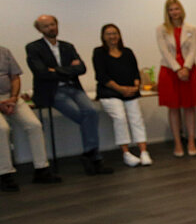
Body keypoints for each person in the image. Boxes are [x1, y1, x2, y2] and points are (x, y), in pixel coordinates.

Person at [26, 14, 112, 175]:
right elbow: (41, 73)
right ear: (39, 29)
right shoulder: (33, 48)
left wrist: (56, 70)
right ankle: (94, 157)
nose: (51, 28)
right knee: (84, 116)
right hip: (53, 91)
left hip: (73, 87)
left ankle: (90, 154)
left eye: (53, 24)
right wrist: (68, 70)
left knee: (92, 112)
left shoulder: (67, 46)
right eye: (46, 26)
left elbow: (82, 69)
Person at [0, 45, 60, 191]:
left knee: (34, 125)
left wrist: (13, 98)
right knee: (2, 129)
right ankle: (5, 174)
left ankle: (41, 169)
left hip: (11, 97)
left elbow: (15, 77)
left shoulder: (4, 51)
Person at [92, 23, 151, 167]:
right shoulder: (99, 52)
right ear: (103, 37)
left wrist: (136, 86)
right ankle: (126, 153)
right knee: (120, 117)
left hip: (130, 91)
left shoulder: (127, 52)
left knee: (136, 118)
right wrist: (120, 89)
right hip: (110, 92)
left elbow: (135, 72)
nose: (112, 36)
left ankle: (143, 152)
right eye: (109, 34)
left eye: (115, 33)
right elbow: (101, 76)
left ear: (119, 35)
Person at [156, 0, 196, 157]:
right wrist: (178, 69)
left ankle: (191, 140)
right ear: (167, 12)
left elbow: (193, 50)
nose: (174, 12)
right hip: (170, 71)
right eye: (171, 10)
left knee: (190, 107)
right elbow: (164, 51)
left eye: (176, 9)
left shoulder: (192, 28)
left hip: (189, 70)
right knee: (174, 108)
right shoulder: (161, 29)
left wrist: (186, 68)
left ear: (181, 10)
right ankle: (177, 142)